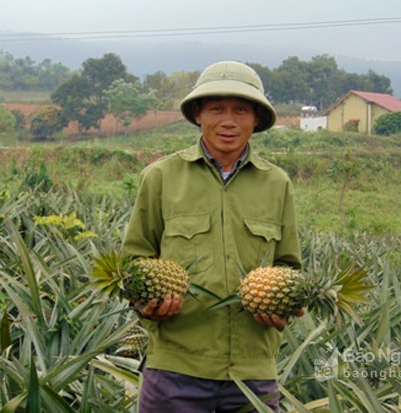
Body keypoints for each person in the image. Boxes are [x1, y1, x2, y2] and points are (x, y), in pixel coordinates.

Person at [121, 60, 302, 413]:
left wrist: (285, 306)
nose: (229, 121)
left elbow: (288, 264)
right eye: (217, 109)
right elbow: (132, 261)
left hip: (253, 372)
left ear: (256, 119)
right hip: (176, 370)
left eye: (241, 110)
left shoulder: (276, 183)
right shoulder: (160, 177)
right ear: (199, 115)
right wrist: (146, 304)